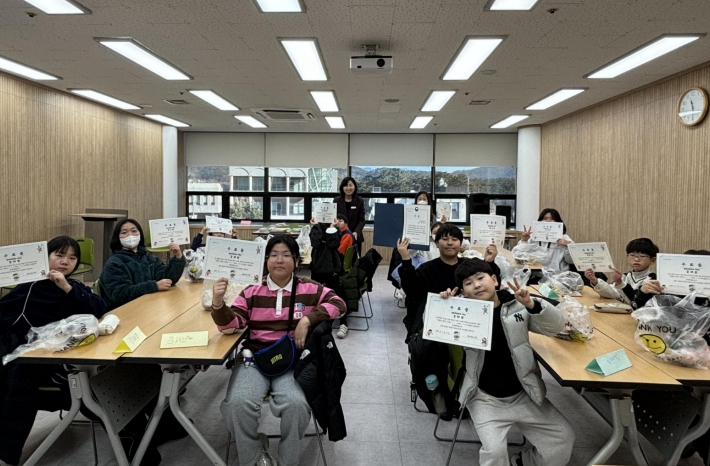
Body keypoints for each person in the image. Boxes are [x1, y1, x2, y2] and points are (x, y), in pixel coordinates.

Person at [211, 235, 345, 466]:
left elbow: (338, 304)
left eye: (286, 255)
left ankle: (287, 460)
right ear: (266, 260)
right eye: (273, 255)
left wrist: (307, 320)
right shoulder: (252, 290)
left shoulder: (310, 288)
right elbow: (232, 325)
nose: (279, 260)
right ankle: (255, 455)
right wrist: (218, 303)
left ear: (297, 260)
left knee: (297, 406)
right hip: (255, 360)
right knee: (236, 405)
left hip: (293, 363)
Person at [440, 258, 574, 466]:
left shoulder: (518, 305)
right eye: (468, 283)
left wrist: (531, 304)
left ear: (494, 280)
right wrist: (444, 306)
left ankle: (524, 461)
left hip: (524, 393)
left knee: (563, 438)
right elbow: (433, 330)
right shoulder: (463, 313)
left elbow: (555, 327)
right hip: (484, 398)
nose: (476, 285)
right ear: (463, 292)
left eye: (480, 278)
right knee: (494, 453)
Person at [0, 236, 108, 466]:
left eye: (72, 258)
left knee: (22, 378)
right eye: (59, 255)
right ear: (45, 256)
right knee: (19, 377)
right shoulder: (29, 287)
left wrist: (66, 288)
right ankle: (6, 455)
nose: (65, 262)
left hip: (64, 359)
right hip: (29, 357)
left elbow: (99, 309)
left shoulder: (75, 286)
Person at [397, 223, 501, 419]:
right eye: (444, 239)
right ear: (436, 243)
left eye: (454, 239)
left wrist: (490, 262)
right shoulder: (428, 269)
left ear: (461, 243)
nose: (450, 243)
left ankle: (479, 395)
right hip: (436, 324)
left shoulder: (468, 268)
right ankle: (441, 395)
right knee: (432, 349)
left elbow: (492, 287)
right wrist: (406, 259)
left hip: (469, 323)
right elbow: (412, 290)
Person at [99, 218, 186, 310]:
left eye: (134, 231)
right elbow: (119, 294)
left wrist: (178, 256)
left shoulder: (148, 257)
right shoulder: (114, 263)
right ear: (117, 237)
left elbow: (167, 279)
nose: (130, 235)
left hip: (149, 306)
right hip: (125, 311)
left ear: (140, 234)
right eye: (124, 232)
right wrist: (154, 286)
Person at [585, 238, 659, 307]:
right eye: (632, 255)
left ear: (652, 260)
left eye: (642, 256)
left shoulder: (653, 279)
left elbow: (636, 303)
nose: (636, 259)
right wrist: (595, 281)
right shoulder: (625, 276)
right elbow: (612, 293)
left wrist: (621, 284)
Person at [519, 208, 574, 273]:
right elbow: (520, 255)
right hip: (535, 273)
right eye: (545, 218)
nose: (548, 221)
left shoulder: (564, 238)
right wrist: (524, 241)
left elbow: (571, 261)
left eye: (552, 219)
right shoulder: (533, 237)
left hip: (557, 275)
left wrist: (568, 246)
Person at [333, 177, 365, 255]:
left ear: (354, 187)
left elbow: (362, 220)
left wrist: (356, 232)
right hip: (340, 236)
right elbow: (334, 217)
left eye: (350, 185)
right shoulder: (336, 200)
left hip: (355, 236)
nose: (348, 188)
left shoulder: (359, 201)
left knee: (354, 259)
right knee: (339, 258)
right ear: (342, 187)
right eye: (346, 185)